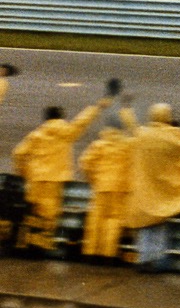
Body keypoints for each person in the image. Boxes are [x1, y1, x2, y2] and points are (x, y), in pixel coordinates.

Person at [13, 92, 113, 254]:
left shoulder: (36, 135)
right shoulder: (66, 132)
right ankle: (40, 246)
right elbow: (81, 122)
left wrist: (24, 172)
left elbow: (18, 154)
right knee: (49, 214)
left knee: (33, 211)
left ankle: (25, 244)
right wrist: (97, 107)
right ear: (61, 117)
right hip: (54, 179)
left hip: (36, 178)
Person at [121, 98, 180, 272]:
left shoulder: (143, 134)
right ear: (167, 117)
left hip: (145, 189)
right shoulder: (172, 137)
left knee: (145, 226)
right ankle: (157, 260)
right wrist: (173, 127)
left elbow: (131, 126)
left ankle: (143, 259)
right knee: (160, 226)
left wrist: (126, 109)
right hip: (163, 188)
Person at [79, 111, 132, 264]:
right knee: (113, 220)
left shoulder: (99, 144)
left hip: (101, 186)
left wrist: (94, 179)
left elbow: (85, 163)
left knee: (95, 219)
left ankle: (90, 252)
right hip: (120, 188)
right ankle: (107, 254)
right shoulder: (128, 145)